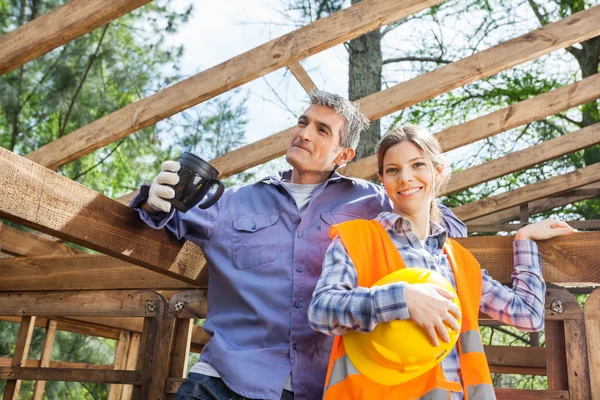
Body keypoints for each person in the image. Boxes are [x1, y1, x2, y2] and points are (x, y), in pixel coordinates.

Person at [131, 93, 466, 400]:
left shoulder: (373, 202)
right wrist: (154, 198)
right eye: (303, 122)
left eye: (322, 130)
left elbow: (444, 226)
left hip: (321, 386)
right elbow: (155, 220)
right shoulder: (234, 202)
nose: (305, 133)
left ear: (344, 155)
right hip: (223, 381)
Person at [308, 125, 575, 400]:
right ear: (382, 179)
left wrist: (524, 240)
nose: (405, 178)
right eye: (393, 170)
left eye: (417, 165)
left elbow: (528, 316)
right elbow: (321, 311)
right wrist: (402, 298)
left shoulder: (458, 261)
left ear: (437, 171)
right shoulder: (356, 239)